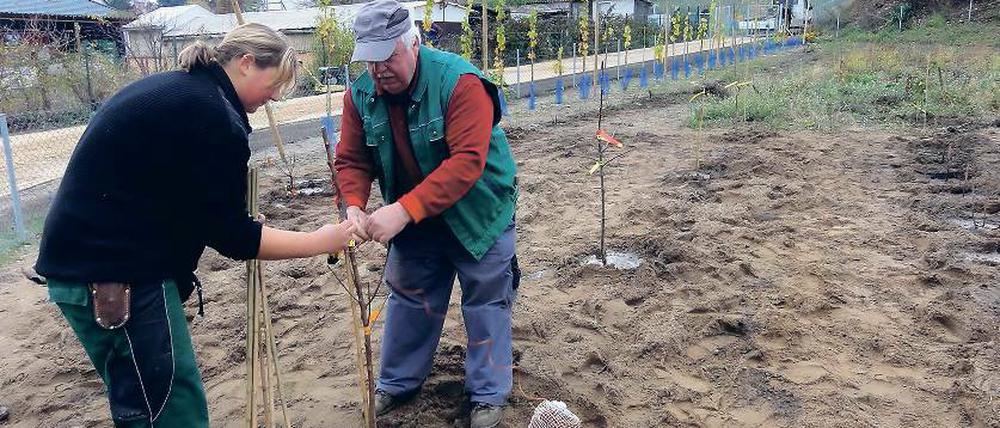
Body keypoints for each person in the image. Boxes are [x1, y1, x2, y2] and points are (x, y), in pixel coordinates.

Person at [35, 23, 356, 427]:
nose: (275, 96)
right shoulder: (213, 114)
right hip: (116, 281)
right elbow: (232, 237)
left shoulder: (183, 91)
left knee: (146, 403)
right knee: (169, 411)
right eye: (275, 83)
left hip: (91, 269)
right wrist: (318, 240)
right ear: (245, 63)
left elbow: (186, 203)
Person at [335, 1, 518, 427]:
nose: (378, 70)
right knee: (410, 296)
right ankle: (397, 384)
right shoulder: (359, 94)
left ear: (413, 43)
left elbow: (466, 163)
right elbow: (352, 159)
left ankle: (488, 395)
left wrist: (401, 210)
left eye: (387, 57)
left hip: (478, 210)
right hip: (414, 216)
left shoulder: (460, 82)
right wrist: (355, 205)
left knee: (486, 298)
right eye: (370, 60)